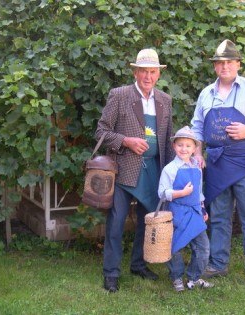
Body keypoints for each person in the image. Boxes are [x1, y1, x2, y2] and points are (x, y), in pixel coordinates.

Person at [190, 39, 245, 291]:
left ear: (238, 64)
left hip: (244, 163)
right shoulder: (206, 93)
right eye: (220, 63)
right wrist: (198, 151)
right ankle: (218, 263)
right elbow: (197, 126)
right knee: (218, 217)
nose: (224, 66)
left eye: (229, 62)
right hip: (216, 163)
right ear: (215, 67)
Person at [95, 48, 174, 293]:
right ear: (135, 72)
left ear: (158, 75)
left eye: (152, 72)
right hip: (123, 172)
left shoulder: (165, 100)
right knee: (116, 223)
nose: (147, 76)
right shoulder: (119, 95)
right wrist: (126, 141)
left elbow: (168, 137)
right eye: (143, 71)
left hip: (153, 172)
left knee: (146, 221)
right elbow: (101, 133)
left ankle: (138, 265)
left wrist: (172, 172)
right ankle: (111, 273)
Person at [158, 126, 213, 292]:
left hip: (195, 212)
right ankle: (176, 277)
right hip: (177, 213)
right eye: (180, 145)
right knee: (174, 246)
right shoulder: (170, 169)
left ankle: (194, 277)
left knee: (203, 248)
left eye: (188, 146)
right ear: (174, 146)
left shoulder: (196, 167)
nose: (184, 149)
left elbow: (198, 192)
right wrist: (181, 193)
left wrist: (202, 208)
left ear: (194, 148)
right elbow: (162, 193)